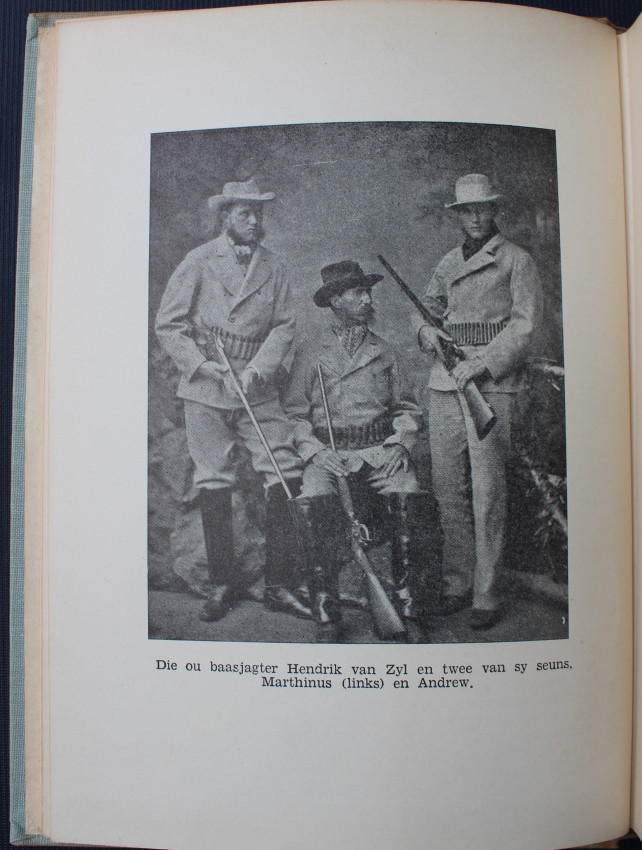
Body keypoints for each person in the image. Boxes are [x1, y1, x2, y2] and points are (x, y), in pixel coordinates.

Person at [155, 179, 311, 622]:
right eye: (244, 213)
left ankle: (280, 584)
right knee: (213, 477)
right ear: (225, 217)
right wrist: (205, 366)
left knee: (284, 467)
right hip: (207, 385)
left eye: (258, 213)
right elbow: (168, 325)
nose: (254, 221)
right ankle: (222, 583)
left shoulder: (274, 266)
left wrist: (257, 370)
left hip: (256, 384)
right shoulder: (199, 260)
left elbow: (284, 326)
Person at [418, 173, 543, 629]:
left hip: (490, 384)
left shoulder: (517, 260)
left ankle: (485, 591)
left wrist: (484, 364)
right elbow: (426, 310)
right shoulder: (448, 261)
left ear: (494, 211)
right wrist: (426, 332)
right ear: (457, 215)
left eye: (482, 208)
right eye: (466, 210)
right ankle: (458, 581)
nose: (474, 217)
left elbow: (524, 326)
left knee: (488, 489)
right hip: (445, 382)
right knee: (447, 485)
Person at [285, 260, 429, 626]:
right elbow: (295, 416)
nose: (368, 300)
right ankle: (326, 610)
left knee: (408, 488)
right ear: (336, 301)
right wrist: (316, 452)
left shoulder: (386, 351)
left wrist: (400, 444)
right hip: (330, 456)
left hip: (379, 452)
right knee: (312, 496)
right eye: (359, 293)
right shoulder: (310, 352)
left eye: (368, 293)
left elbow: (408, 409)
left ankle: (409, 604)